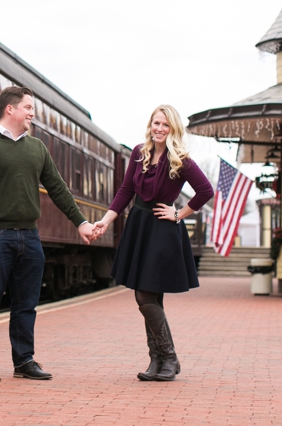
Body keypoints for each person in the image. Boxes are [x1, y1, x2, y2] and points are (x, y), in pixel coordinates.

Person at [0, 85, 98, 382]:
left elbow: (58, 188)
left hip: (30, 237)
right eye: (28, 108)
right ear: (9, 109)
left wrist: (81, 223)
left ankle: (24, 360)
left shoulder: (36, 148)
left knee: (26, 304)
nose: (32, 114)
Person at [92, 104, 213, 382]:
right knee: (149, 295)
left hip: (162, 231)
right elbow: (125, 191)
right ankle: (157, 360)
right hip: (139, 227)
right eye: (155, 123)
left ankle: (168, 358)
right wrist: (106, 220)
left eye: (165, 125)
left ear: (173, 129)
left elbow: (205, 190)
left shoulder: (180, 159)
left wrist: (179, 214)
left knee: (145, 295)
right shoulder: (138, 153)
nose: (158, 129)